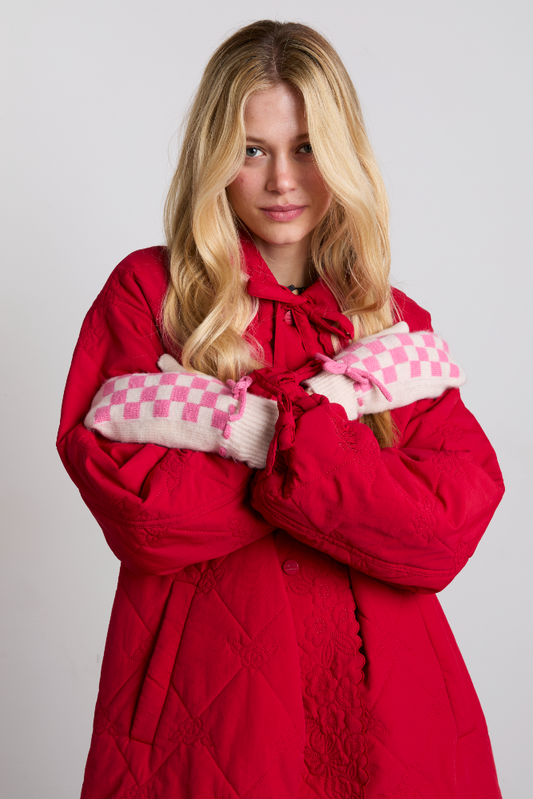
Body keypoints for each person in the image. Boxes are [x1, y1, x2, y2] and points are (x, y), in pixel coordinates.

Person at [57, 20, 504, 799]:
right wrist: (319, 438)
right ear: (214, 156)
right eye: (253, 150)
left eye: (305, 147)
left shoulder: (392, 323)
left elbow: (439, 531)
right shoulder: (149, 297)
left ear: (341, 154)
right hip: (206, 719)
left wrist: (232, 430)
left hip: (395, 712)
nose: (282, 181)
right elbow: (149, 515)